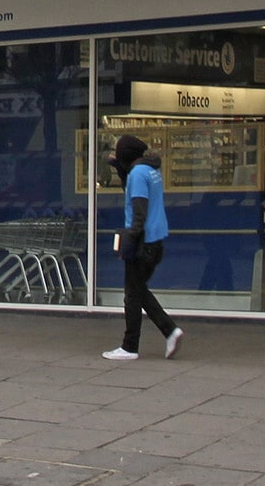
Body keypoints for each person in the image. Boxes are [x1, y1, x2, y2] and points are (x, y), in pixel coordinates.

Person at [103, 134, 181, 361]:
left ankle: (130, 346)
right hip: (156, 240)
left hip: (142, 242)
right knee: (137, 291)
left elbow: (139, 210)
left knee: (132, 295)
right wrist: (120, 169)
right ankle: (169, 331)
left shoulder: (137, 174)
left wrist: (130, 240)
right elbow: (135, 189)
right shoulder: (150, 170)